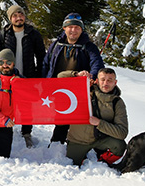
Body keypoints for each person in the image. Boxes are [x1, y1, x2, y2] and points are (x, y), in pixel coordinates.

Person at [43, 12, 105, 144]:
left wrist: (91, 76)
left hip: (78, 90)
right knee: (61, 117)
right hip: (57, 87)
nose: (73, 30)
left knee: (76, 118)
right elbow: (46, 64)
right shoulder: (56, 46)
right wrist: (42, 82)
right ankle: (57, 143)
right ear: (64, 28)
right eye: (70, 27)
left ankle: (75, 144)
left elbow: (97, 65)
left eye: (77, 27)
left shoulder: (89, 47)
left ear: (81, 30)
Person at [0, 5, 46, 148]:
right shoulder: (3, 34)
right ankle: (2, 128)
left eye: (20, 14)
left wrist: (40, 77)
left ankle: (26, 132)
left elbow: (41, 57)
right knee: (4, 103)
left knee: (28, 107)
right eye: (14, 15)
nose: (18, 17)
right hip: (7, 77)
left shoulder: (33, 34)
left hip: (27, 77)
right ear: (10, 18)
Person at [65, 68, 128, 166]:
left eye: (110, 80)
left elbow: (122, 132)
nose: (105, 83)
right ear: (97, 81)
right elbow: (60, 78)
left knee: (119, 146)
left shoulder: (117, 103)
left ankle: (103, 161)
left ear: (115, 82)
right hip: (78, 140)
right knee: (73, 164)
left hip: (100, 140)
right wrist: (76, 75)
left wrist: (100, 123)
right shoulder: (84, 90)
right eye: (102, 79)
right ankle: (82, 155)